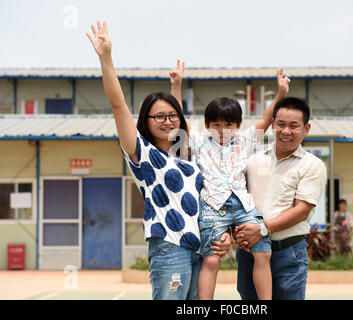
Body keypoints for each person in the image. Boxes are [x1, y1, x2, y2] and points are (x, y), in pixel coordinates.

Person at [86, 21, 230, 300]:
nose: (167, 122)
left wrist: (176, 87)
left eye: (172, 116)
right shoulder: (142, 153)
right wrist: (106, 58)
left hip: (200, 248)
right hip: (170, 246)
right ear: (146, 122)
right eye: (158, 117)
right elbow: (118, 106)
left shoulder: (187, 155)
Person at [171, 63, 290, 300]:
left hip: (244, 206)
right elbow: (179, 121)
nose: (223, 130)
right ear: (207, 125)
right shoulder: (200, 141)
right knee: (212, 259)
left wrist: (281, 95)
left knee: (263, 254)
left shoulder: (244, 141)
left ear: (238, 125)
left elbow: (267, 120)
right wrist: (176, 86)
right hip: (213, 206)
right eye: (216, 125)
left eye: (229, 125)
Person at [234, 97, 327, 300]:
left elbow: (301, 211)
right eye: (281, 124)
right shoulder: (252, 159)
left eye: (294, 126)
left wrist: (261, 229)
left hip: (288, 253)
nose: (286, 131)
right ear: (273, 124)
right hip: (250, 252)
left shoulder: (312, 165)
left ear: (306, 128)